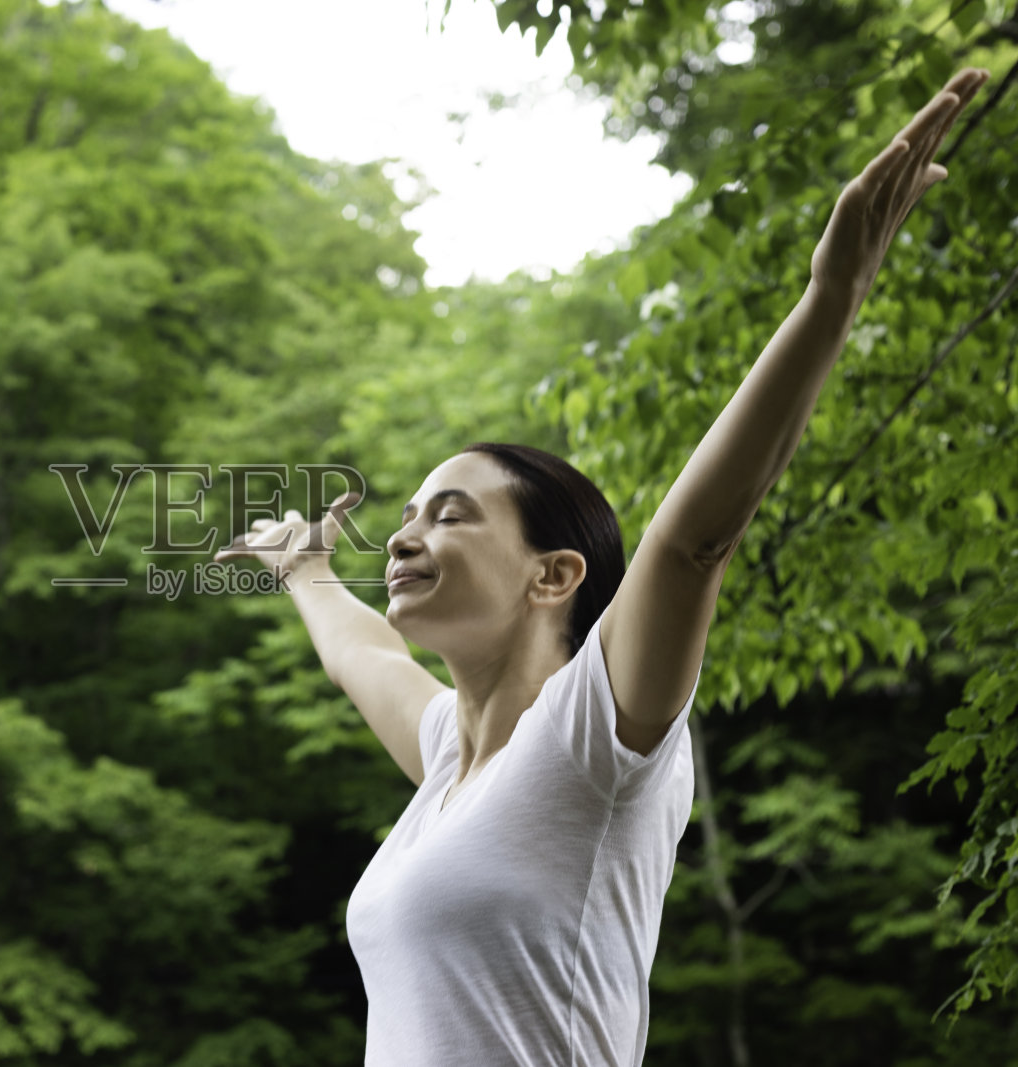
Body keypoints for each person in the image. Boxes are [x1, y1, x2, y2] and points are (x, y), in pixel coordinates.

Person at [213, 67, 991, 1066]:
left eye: (449, 515)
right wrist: (304, 567)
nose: (405, 536)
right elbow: (357, 658)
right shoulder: (450, 754)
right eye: (404, 516)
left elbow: (689, 542)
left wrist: (829, 297)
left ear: (552, 574)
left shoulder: (593, 734)